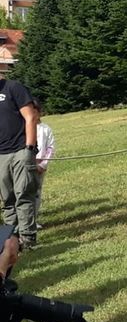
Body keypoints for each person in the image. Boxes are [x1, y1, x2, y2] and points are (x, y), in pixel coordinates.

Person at [0, 78, 39, 249]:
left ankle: (27, 239)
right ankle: (10, 240)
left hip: (20, 151)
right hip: (1, 155)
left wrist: (29, 148)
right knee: (7, 200)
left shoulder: (13, 88)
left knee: (23, 195)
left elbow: (30, 117)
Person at [32, 98, 54, 229]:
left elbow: (50, 148)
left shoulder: (46, 129)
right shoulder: (23, 127)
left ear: (39, 112)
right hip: (26, 164)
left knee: (36, 193)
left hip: (39, 167)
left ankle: (33, 220)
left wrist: (43, 164)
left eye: (34, 112)